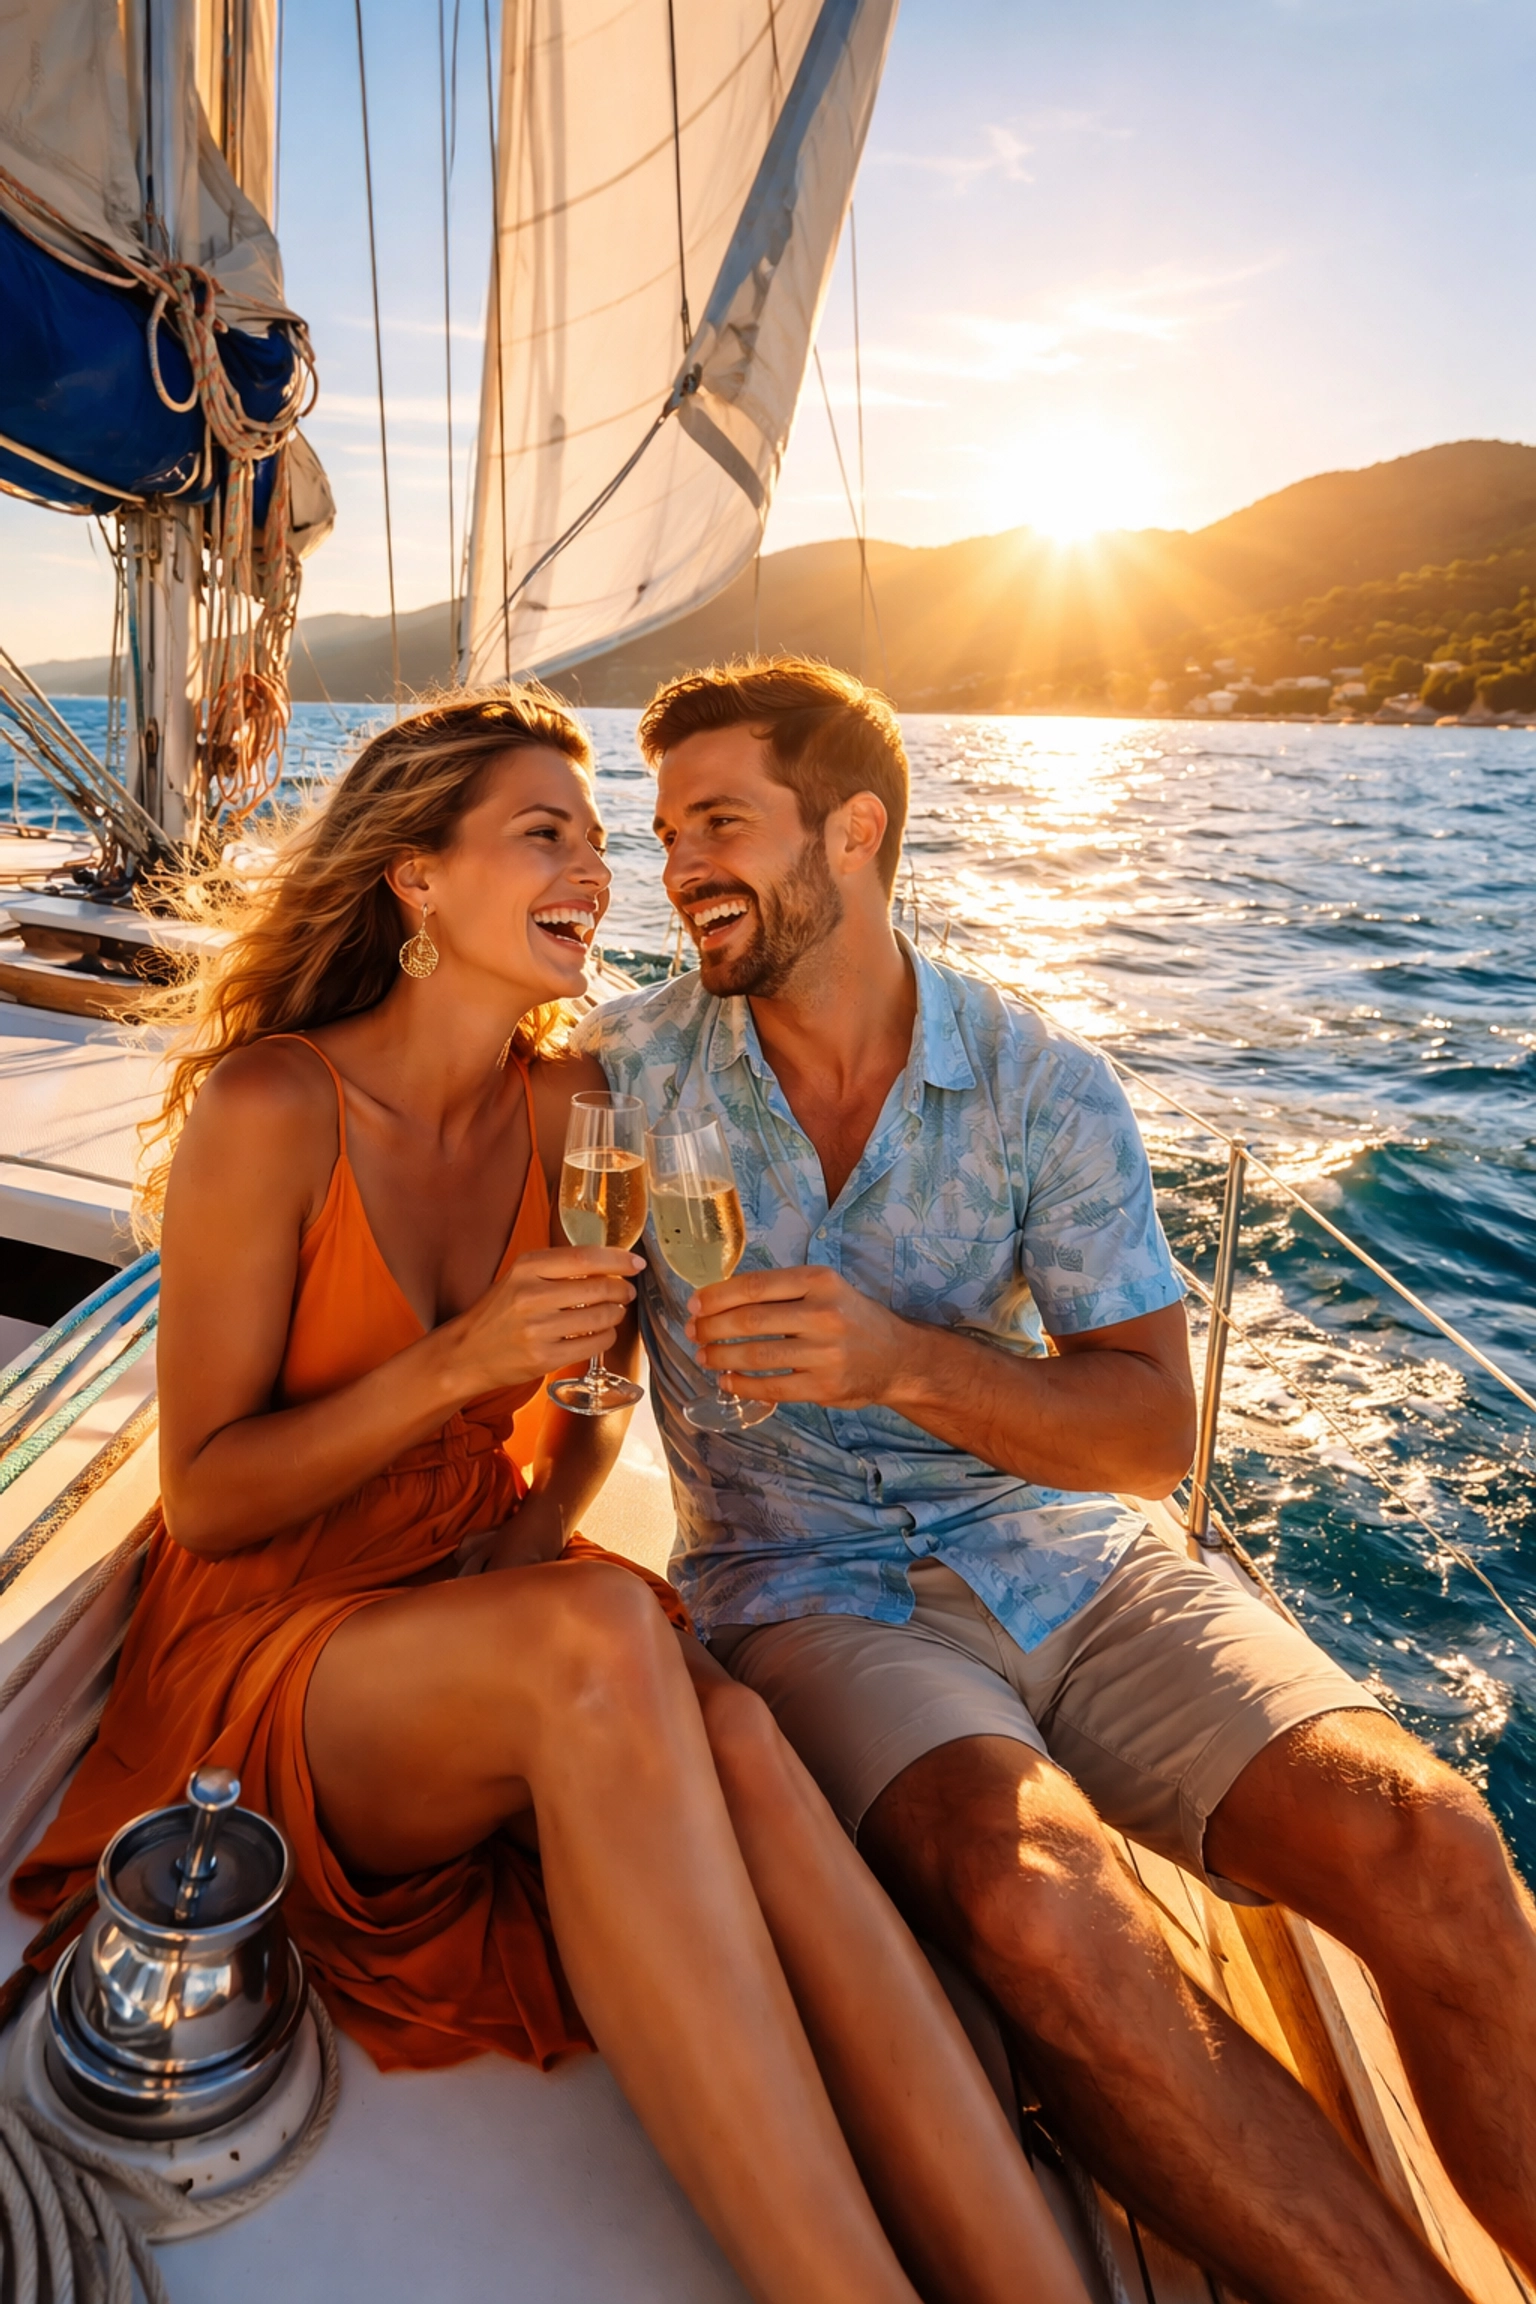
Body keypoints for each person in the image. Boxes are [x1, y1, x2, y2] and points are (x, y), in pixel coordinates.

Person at [13, 690, 1091, 2304]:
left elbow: (594, 1406)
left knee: (731, 1728)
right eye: (546, 834)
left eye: (602, 839)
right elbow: (211, 1499)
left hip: (475, 1609)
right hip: (271, 1646)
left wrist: (511, 1548)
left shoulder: (569, 1105)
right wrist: (456, 1372)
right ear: (416, 880)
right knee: (601, 1632)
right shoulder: (274, 1110)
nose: (600, 869)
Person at [577, 655, 1536, 2304]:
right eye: (664, 832)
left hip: (1080, 1563)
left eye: (719, 824)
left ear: (855, 832)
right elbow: (558, 1330)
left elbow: (1152, 1435)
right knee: (1038, 1903)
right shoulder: (624, 1079)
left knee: (1432, 1843)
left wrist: (905, 1363)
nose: (677, 870)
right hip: (813, 1594)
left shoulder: (1042, 1086)